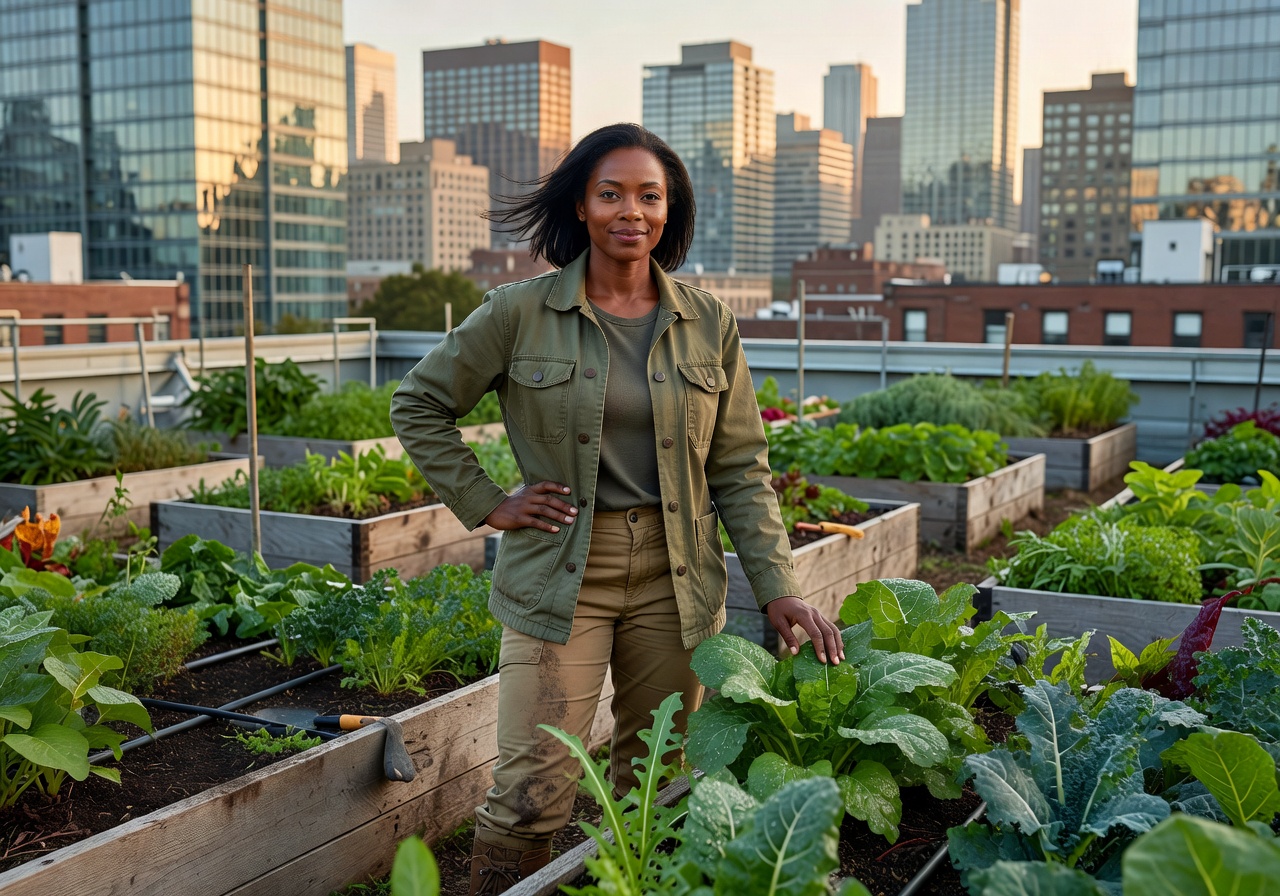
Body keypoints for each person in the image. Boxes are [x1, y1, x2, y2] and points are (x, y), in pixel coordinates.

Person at [390, 122, 844, 895]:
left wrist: (777, 587)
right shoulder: (518, 312)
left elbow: (739, 464)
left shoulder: (708, 322)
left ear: (671, 211)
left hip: (678, 575)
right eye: (611, 194)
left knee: (658, 779)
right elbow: (419, 402)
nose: (631, 211)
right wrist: (490, 503)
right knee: (533, 789)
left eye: (649, 195)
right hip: (562, 568)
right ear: (582, 205)